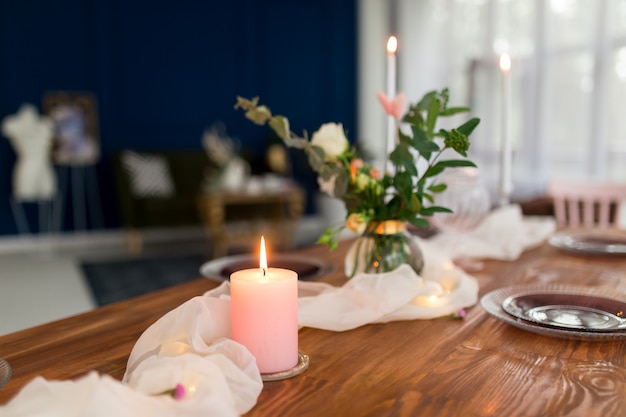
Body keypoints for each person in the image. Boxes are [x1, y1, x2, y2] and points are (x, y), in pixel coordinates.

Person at [1, 104, 57, 201]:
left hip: (45, 168)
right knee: (25, 193)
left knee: (48, 194)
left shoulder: (45, 125)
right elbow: (7, 128)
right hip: (27, 168)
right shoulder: (14, 125)